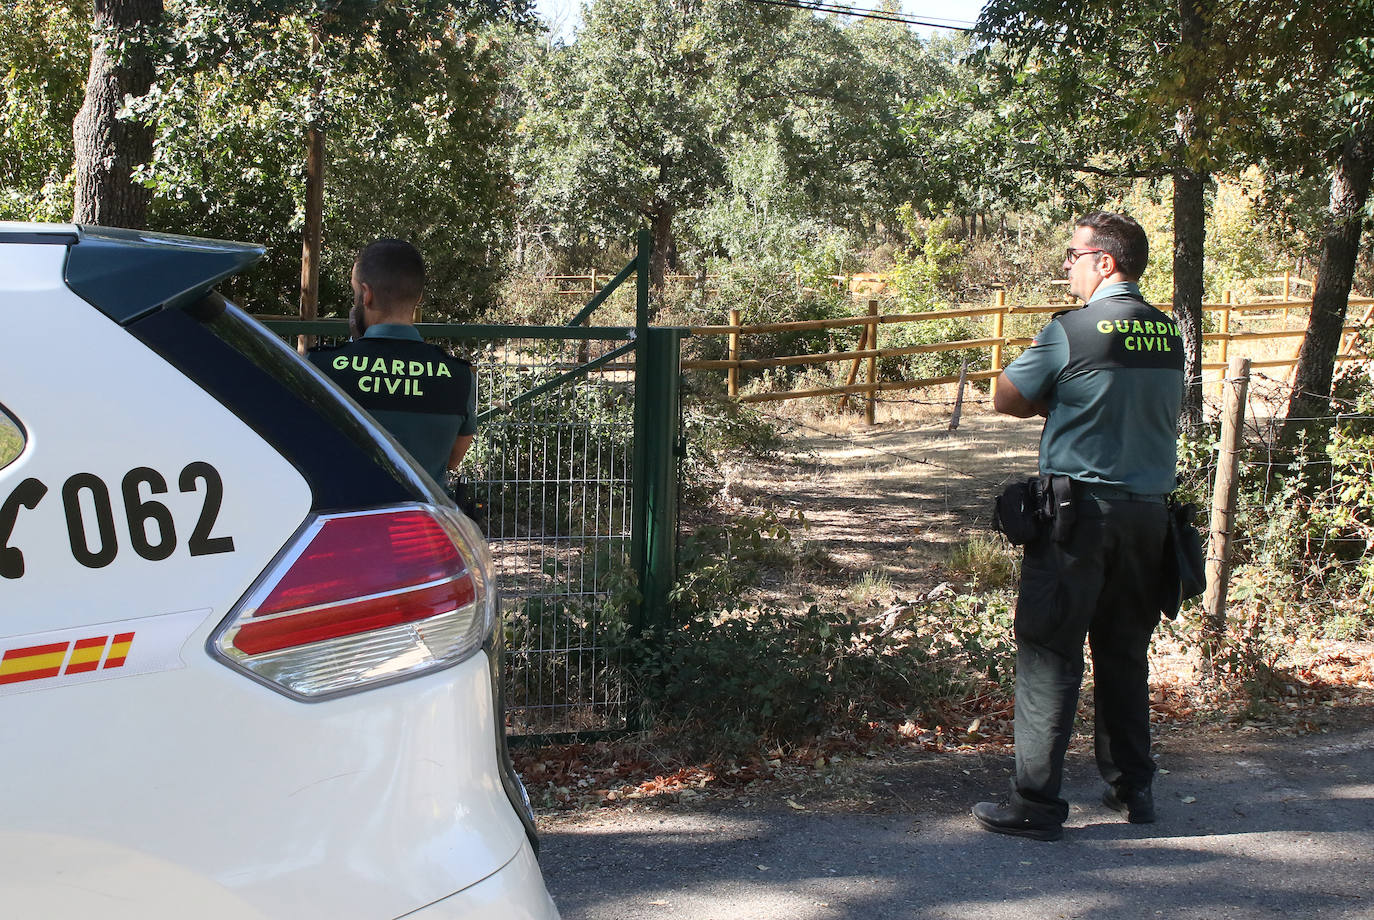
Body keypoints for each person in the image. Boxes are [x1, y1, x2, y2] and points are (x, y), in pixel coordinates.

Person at [973, 211, 1185, 841]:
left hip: (1077, 519)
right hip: (1148, 520)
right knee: (1124, 654)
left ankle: (1036, 805)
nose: (1065, 264)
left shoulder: (1074, 330)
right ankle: (1134, 791)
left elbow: (1006, 397)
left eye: (1073, 254)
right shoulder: (1167, 332)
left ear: (1105, 263)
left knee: (1049, 654)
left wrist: (1057, 399)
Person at [310, 239, 477, 486]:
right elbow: (452, 460)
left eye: (355, 293)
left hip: (343, 519)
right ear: (418, 297)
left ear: (366, 295)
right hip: (422, 521)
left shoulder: (320, 367)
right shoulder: (459, 377)